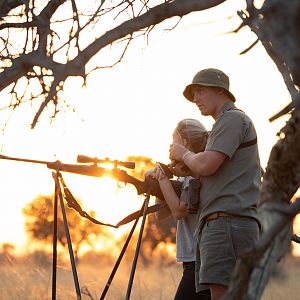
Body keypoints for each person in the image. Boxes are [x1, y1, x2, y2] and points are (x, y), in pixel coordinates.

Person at [169, 68, 261, 300]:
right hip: (224, 224)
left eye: (200, 91)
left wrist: (183, 153)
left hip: (226, 224)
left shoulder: (231, 119)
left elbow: (207, 165)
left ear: (220, 91)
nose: (195, 99)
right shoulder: (227, 123)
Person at [146, 118, 211, 300]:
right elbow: (161, 214)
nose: (170, 145)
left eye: (173, 140)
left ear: (184, 143)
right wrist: (158, 187)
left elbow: (178, 211)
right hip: (191, 259)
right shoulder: (183, 177)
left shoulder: (195, 177)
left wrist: (162, 180)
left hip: (199, 259)